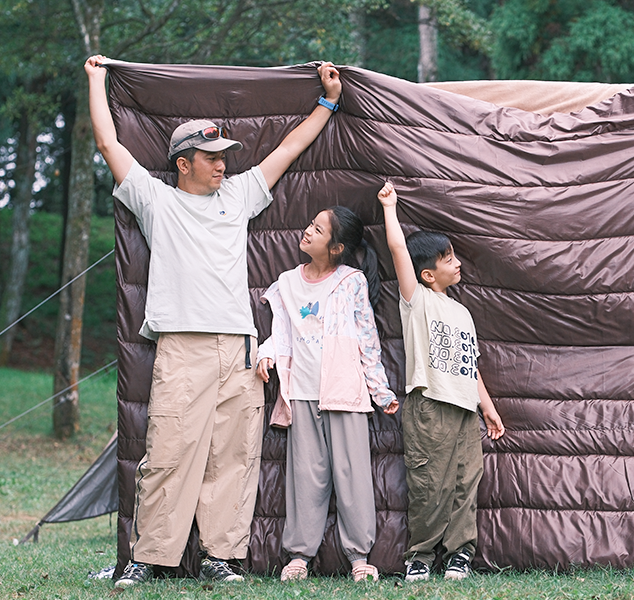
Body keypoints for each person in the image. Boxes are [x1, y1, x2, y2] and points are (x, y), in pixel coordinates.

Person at [83, 54, 345, 588]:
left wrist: (328, 103)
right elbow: (110, 145)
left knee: (234, 456)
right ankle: (149, 558)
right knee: (170, 451)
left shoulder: (240, 195)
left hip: (240, 350)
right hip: (182, 347)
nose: (222, 164)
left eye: (224, 156)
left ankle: (220, 558)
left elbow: (290, 148)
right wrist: (96, 80)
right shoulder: (155, 200)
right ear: (183, 162)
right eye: (210, 157)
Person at [254, 206, 397, 583]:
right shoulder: (286, 282)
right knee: (305, 476)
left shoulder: (351, 281)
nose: (307, 231)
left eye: (317, 229)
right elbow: (280, 332)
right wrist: (266, 354)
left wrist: (380, 391)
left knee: (352, 476)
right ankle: (299, 556)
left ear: (335, 248)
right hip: (301, 392)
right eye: (310, 224)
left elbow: (368, 338)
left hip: (344, 392)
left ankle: (359, 557)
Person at [376, 180, 506, 582]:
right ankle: (421, 555)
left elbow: (471, 365)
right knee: (430, 483)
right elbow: (399, 250)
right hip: (429, 405)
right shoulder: (418, 301)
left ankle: (460, 555)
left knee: (467, 483)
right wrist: (389, 207)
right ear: (429, 274)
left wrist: (488, 406)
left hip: (465, 409)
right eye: (448, 259)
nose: (457, 263)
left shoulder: (461, 312)